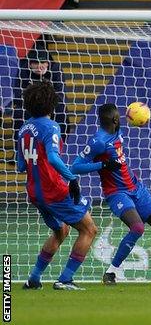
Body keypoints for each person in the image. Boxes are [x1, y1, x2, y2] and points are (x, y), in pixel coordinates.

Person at [71, 103, 151, 286]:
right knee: (137, 228)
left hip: (136, 187)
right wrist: (103, 165)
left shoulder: (118, 131)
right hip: (117, 193)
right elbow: (75, 166)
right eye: (120, 116)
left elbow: (131, 118)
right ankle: (111, 273)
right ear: (115, 120)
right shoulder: (98, 141)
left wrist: (136, 113)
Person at [19, 81, 97, 291]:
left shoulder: (23, 128)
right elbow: (53, 158)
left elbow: (19, 165)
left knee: (61, 230)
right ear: (52, 105)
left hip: (34, 192)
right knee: (89, 229)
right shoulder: (51, 126)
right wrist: (72, 178)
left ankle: (34, 279)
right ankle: (65, 279)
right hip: (53, 190)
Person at [13, 47, 69, 143]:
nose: (39, 67)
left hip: (50, 107)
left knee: (62, 109)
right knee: (18, 111)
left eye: (43, 63)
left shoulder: (56, 69)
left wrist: (45, 105)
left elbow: (60, 94)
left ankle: (61, 145)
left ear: (48, 63)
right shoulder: (23, 70)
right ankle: (20, 147)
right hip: (30, 107)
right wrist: (34, 104)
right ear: (30, 64)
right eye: (36, 63)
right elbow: (17, 94)